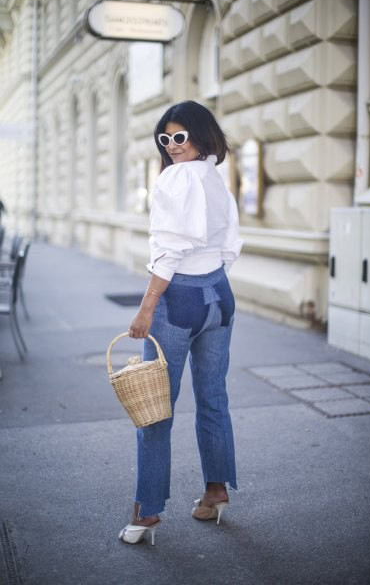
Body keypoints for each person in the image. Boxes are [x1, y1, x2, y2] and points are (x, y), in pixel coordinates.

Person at [119, 100, 243, 546]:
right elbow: (232, 245)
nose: (172, 146)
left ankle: (147, 512)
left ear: (201, 136)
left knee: (156, 408)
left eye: (180, 137)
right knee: (213, 399)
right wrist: (213, 276)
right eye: (165, 139)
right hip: (220, 296)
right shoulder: (216, 177)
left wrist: (147, 306)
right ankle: (215, 491)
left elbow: (168, 249)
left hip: (178, 300)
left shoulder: (175, 179)